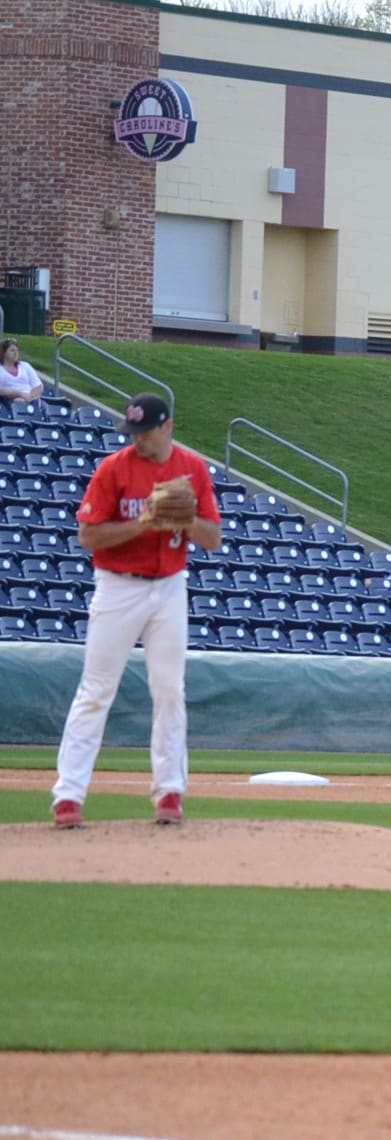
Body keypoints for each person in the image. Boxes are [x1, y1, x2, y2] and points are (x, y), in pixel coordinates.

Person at [50, 393, 222, 830]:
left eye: (145, 431)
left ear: (167, 427)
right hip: (118, 586)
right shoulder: (115, 468)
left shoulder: (193, 469)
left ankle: (169, 791)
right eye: (133, 432)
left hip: (169, 588)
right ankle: (68, 796)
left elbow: (213, 539)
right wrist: (143, 522)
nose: (138, 440)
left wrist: (183, 521)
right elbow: (88, 538)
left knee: (169, 690)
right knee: (96, 690)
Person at [0, 337, 44, 404]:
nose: (15, 353)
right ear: (4, 353)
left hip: (31, 399)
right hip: (8, 401)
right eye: (12, 350)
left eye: (17, 350)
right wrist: (19, 394)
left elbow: (39, 386)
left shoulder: (25, 366)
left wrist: (30, 398)